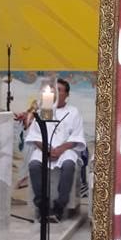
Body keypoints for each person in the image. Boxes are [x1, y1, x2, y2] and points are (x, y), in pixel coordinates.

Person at [22, 79, 86, 221]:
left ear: (67, 94)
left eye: (60, 90)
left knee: (69, 165)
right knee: (34, 165)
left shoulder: (73, 112)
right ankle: (42, 205)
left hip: (66, 149)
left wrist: (61, 149)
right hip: (44, 148)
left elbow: (77, 136)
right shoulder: (45, 110)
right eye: (54, 90)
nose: (56, 93)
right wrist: (46, 149)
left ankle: (59, 206)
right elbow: (35, 135)